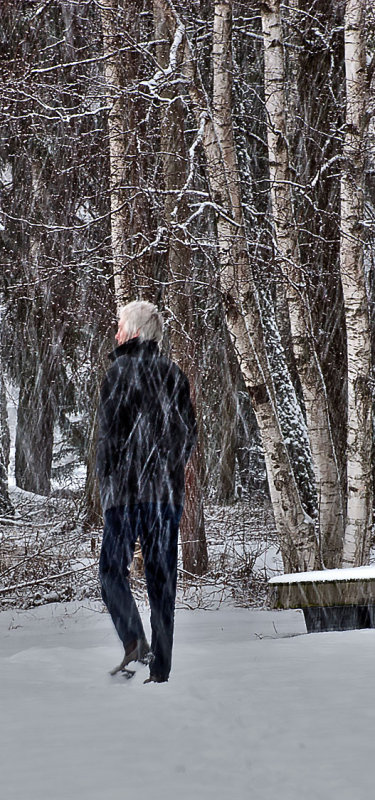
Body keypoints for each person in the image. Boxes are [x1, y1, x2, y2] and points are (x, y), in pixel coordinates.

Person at [96, 300, 197, 683]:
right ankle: (162, 670)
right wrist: (167, 471)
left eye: (120, 325)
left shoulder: (118, 374)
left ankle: (135, 640)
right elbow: (187, 436)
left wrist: (110, 483)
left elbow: (109, 439)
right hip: (164, 497)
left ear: (134, 332)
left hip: (125, 494)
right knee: (162, 580)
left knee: (110, 572)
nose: (116, 332)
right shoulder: (174, 375)